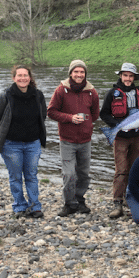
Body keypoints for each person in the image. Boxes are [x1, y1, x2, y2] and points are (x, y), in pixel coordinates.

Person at [0, 65, 47, 219]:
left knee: (31, 176)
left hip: (33, 144)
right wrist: (5, 133)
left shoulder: (38, 95)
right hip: (11, 144)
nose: (23, 78)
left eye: (25, 75)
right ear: (14, 78)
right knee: (15, 177)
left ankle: (35, 207)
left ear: (30, 78)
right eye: (19, 75)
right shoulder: (5, 96)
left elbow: (43, 115)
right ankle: (19, 206)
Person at [47, 60, 100, 217]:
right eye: (76, 72)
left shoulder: (92, 92)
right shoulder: (61, 90)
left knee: (83, 173)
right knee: (69, 174)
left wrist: (87, 124)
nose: (79, 75)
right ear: (70, 73)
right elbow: (51, 112)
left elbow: (95, 114)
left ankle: (80, 200)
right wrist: (70, 118)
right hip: (67, 140)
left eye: (82, 72)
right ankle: (69, 203)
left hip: (85, 140)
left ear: (85, 74)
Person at [101, 62, 139, 219]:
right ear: (120, 76)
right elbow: (104, 114)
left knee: (135, 168)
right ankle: (117, 202)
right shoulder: (112, 93)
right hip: (121, 137)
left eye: (131, 76)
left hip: (137, 136)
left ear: (134, 78)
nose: (128, 78)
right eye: (125, 75)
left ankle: (131, 196)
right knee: (121, 169)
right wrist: (117, 126)